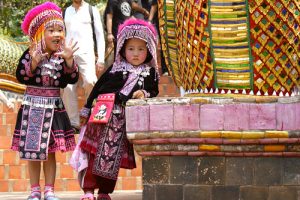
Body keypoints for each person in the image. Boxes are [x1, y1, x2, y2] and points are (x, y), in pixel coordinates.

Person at [77, 18, 159, 200]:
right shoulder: (114, 68)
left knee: (111, 157)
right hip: (102, 115)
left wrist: (144, 93)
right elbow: (97, 88)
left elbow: (154, 92)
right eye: (131, 49)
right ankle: (89, 190)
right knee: (94, 152)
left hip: (123, 121)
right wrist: (86, 108)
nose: (136, 53)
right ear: (122, 48)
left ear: (149, 51)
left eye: (141, 49)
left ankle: (105, 192)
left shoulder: (150, 73)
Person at [11, 2, 79, 200]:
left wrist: (68, 61)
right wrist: (33, 63)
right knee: (32, 152)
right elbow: (21, 77)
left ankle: (49, 190)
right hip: (32, 109)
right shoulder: (30, 55)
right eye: (51, 30)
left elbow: (70, 80)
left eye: (60, 30)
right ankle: (34, 190)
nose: (57, 34)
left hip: (54, 109)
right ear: (39, 33)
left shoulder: (61, 57)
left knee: (50, 152)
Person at [62, 0, 106, 131]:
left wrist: (101, 59)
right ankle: (73, 123)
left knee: (90, 82)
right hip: (70, 54)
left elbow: (99, 36)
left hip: (87, 53)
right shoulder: (65, 12)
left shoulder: (92, 10)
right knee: (68, 88)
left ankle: (92, 117)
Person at [147, 0, 169, 75]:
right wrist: (149, 21)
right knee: (164, 44)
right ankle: (165, 69)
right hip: (162, 22)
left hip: (175, 23)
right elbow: (154, 6)